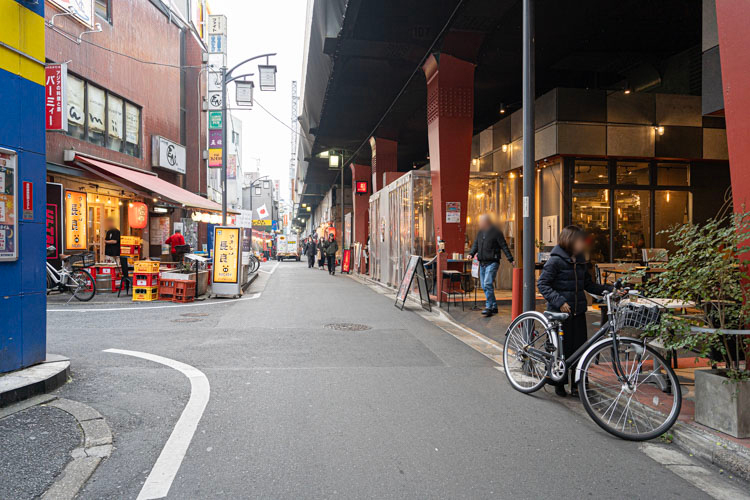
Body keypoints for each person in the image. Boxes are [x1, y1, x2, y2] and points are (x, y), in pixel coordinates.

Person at [537, 225, 613, 398]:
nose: (582, 244)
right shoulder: (555, 261)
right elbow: (542, 284)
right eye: (580, 241)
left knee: (581, 350)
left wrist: (608, 289)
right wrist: (560, 301)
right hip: (559, 314)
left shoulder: (580, 260)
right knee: (561, 350)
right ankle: (559, 383)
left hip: (578, 311)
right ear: (570, 241)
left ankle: (579, 385)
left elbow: (589, 285)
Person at [468, 214, 514, 317]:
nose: (479, 224)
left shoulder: (496, 232)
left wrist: (511, 259)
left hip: (492, 262)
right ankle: (494, 306)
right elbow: (476, 244)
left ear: (487, 222)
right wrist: (471, 253)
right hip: (482, 263)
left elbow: (504, 245)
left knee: (487, 283)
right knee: (485, 286)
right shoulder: (480, 233)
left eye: (481, 222)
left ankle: (488, 307)